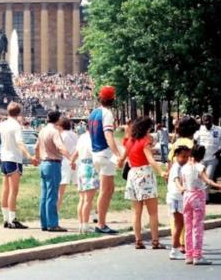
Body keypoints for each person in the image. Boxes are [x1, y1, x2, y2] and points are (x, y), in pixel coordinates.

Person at [118, 117, 168, 250]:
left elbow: (122, 159)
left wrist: (119, 163)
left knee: (136, 212)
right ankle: (155, 241)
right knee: (153, 212)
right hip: (145, 174)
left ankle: (138, 240)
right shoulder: (144, 142)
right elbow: (150, 159)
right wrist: (161, 171)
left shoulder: (130, 141)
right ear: (146, 128)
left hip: (133, 174)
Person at [179, 145, 221, 265]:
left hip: (186, 196)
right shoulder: (200, 167)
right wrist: (219, 185)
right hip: (197, 197)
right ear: (202, 156)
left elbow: (181, 183)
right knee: (198, 227)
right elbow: (207, 180)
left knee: (188, 227)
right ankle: (197, 256)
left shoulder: (184, 168)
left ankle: (189, 255)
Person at [0, 102, 38, 229]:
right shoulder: (16, 126)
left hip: (4, 157)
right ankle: (12, 219)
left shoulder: (3, 124)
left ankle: (5, 218)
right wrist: (29, 156)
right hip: (14, 158)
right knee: (13, 191)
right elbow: (20, 143)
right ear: (19, 113)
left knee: (5, 189)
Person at [35, 110, 75, 232]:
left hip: (44, 163)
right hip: (53, 163)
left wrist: (37, 158)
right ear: (57, 119)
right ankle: (53, 224)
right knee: (52, 195)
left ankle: (44, 222)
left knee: (44, 194)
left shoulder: (42, 130)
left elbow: (36, 147)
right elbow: (61, 147)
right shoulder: (55, 132)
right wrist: (71, 158)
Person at [88, 85, 120, 234]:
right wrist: (118, 154)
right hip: (105, 154)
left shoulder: (93, 113)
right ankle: (101, 223)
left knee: (109, 189)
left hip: (96, 153)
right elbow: (108, 136)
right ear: (112, 99)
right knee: (106, 190)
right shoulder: (107, 114)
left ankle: (100, 219)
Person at [72, 122, 99, 233]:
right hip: (90, 167)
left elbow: (76, 152)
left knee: (82, 199)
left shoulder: (82, 137)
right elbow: (95, 154)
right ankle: (86, 226)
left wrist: (72, 161)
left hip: (81, 166)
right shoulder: (92, 139)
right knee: (88, 200)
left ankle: (81, 225)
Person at [166, 145, 191, 260]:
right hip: (175, 198)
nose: (185, 159)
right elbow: (176, 179)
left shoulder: (184, 167)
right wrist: (181, 188)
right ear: (176, 156)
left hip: (180, 198)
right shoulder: (176, 167)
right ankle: (174, 249)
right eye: (183, 156)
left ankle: (176, 249)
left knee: (180, 224)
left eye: (187, 157)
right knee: (178, 224)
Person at [193, 113, 221, 183]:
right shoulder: (199, 130)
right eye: (205, 120)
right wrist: (196, 152)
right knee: (199, 178)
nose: (207, 122)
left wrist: (220, 151)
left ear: (212, 120)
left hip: (212, 159)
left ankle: (205, 194)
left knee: (208, 178)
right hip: (201, 159)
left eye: (209, 120)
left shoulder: (218, 130)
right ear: (203, 121)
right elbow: (194, 141)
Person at [58, 117, 78, 210]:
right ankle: (93, 213)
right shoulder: (75, 134)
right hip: (76, 160)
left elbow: (60, 149)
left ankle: (56, 211)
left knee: (61, 189)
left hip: (65, 161)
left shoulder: (61, 135)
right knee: (82, 188)